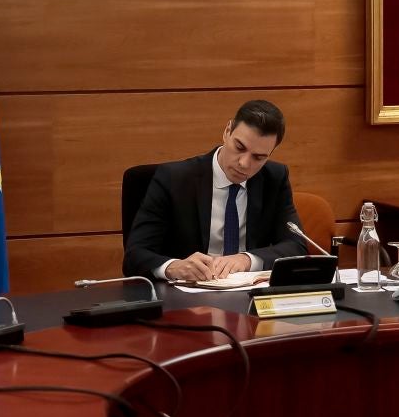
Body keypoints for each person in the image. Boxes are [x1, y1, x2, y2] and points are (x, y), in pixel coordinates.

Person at [123, 99, 306, 282]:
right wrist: (173, 267)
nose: (244, 163)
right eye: (239, 147)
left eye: (258, 157)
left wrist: (247, 259)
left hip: (248, 291)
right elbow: (135, 255)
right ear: (227, 131)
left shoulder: (274, 178)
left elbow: (296, 246)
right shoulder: (174, 179)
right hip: (189, 292)